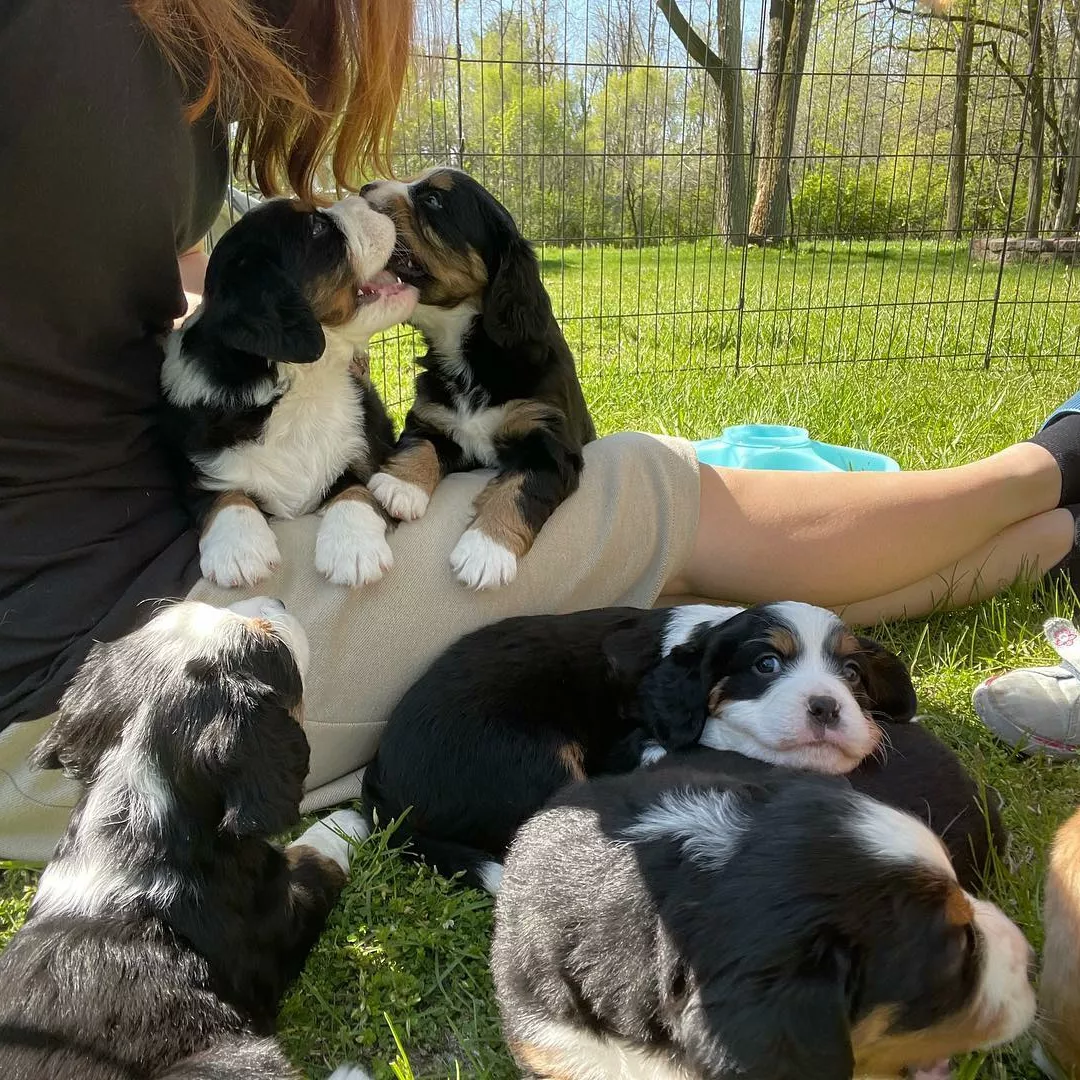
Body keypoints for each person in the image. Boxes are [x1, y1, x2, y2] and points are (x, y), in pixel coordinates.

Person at [3, 0, 1079, 863]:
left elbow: (144, 291)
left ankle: (1052, 536)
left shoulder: (135, 51)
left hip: (127, 581)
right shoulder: (80, 35)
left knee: (662, 591)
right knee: (645, 492)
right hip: (94, 688)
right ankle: (1050, 469)